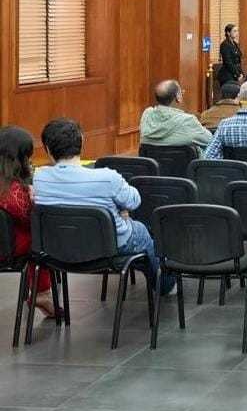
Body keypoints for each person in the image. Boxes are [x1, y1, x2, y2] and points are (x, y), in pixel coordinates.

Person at [34, 119, 174, 295]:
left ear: (47, 149)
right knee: (142, 231)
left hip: (59, 249)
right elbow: (134, 201)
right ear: (82, 143)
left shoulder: (40, 179)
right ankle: (165, 286)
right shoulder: (107, 177)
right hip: (110, 247)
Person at [0, 126, 53, 315]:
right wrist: (32, 197)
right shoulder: (13, 191)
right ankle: (43, 292)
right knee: (38, 237)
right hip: (8, 249)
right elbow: (29, 220)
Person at [139, 79, 212, 149]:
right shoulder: (188, 120)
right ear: (178, 97)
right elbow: (210, 140)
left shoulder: (147, 114)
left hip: (154, 161)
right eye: (181, 92)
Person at [216, 23, 243, 87]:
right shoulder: (225, 44)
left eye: (237, 31)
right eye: (234, 31)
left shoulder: (235, 44)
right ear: (228, 33)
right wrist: (237, 74)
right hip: (227, 75)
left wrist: (241, 73)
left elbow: (238, 61)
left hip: (235, 74)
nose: (237, 33)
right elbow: (228, 62)